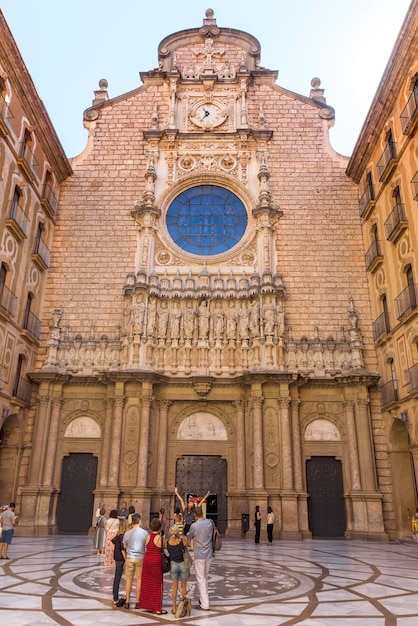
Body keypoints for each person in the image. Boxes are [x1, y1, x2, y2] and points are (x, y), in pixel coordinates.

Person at [186, 505, 213, 611]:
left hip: (200, 555)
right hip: (209, 554)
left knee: (201, 579)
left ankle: (205, 604)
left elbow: (189, 536)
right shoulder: (209, 522)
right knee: (205, 578)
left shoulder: (194, 526)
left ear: (195, 515)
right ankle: (203, 600)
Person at [139, 518, 167, 614]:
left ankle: (147, 605)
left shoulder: (147, 537)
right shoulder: (160, 538)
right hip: (156, 561)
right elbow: (164, 546)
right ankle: (157, 608)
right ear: (159, 527)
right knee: (157, 584)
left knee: (147, 583)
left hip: (147, 560)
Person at [123, 513, 148, 609]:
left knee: (128, 579)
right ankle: (138, 601)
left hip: (130, 558)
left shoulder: (127, 533)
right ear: (140, 521)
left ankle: (127, 601)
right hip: (140, 558)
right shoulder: (145, 533)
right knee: (139, 580)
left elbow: (124, 546)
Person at [166, 524, 190, 615]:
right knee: (183, 587)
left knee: (174, 587)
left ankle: (174, 607)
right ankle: (184, 607)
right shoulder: (181, 540)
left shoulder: (168, 542)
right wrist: (181, 536)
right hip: (183, 564)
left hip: (173, 565)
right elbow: (186, 543)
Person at [111, 519, 127, 606]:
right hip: (121, 559)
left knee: (117, 578)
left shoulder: (117, 536)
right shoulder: (122, 537)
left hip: (116, 558)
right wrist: (126, 559)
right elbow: (122, 549)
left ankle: (115, 597)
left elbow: (111, 542)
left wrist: (115, 549)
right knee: (120, 577)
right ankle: (116, 598)